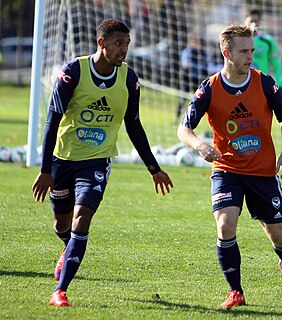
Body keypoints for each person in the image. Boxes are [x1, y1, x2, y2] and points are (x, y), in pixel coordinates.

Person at [32, 18, 173, 307]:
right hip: (63, 159)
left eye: (127, 44)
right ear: (102, 43)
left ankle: (60, 290)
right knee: (62, 223)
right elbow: (52, 120)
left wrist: (154, 168)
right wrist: (45, 170)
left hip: (95, 162)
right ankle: (67, 247)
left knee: (82, 218)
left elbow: (134, 124)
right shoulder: (72, 72)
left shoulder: (129, 79)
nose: (124, 49)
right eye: (119, 43)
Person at [177, 23, 282, 308]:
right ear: (227, 53)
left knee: (279, 236)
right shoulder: (209, 88)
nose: (250, 56)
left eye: (252, 51)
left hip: (263, 172)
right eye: (244, 51)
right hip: (227, 170)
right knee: (225, 225)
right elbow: (183, 129)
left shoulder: (264, 83)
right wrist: (199, 145)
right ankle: (236, 292)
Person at [244, 8, 282, 87]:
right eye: (251, 21)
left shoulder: (268, 41)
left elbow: (276, 64)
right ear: (245, 21)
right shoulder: (238, 41)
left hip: (261, 85)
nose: (253, 24)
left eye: (256, 21)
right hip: (242, 84)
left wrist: (279, 83)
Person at [175, 33, 208, 123]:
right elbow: (184, 64)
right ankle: (177, 119)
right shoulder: (187, 51)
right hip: (187, 78)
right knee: (182, 99)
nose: (196, 44)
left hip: (196, 79)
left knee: (199, 100)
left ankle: (199, 120)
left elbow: (206, 65)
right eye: (194, 41)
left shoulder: (203, 53)